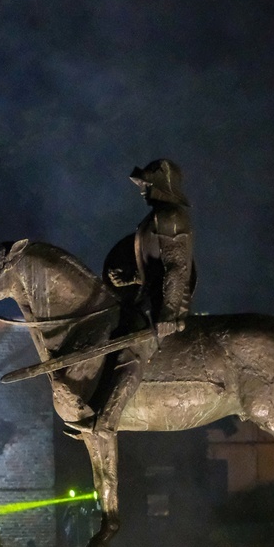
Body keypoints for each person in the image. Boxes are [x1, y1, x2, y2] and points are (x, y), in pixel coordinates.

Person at [78, 158, 196, 434]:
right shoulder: (156, 217)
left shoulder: (170, 217)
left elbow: (176, 267)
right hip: (148, 300)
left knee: (131, 347)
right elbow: (155, 270)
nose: (142, 189)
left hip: (160, 308)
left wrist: (168, 313)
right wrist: (131, 279)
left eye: (146, 184)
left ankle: (107, 419)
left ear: (161, 185)